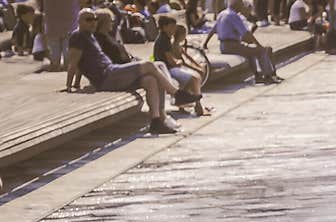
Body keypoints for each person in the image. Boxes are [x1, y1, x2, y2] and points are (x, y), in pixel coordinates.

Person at [66, 8, 196, 135]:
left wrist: (77, 83)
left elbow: (80, 65)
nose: (93, 22)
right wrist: (69, 86)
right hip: (107, 76)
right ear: (79, 21)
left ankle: (156, 121)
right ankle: (176, 93)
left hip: (113, 74)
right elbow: (73, 63)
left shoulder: (89, 35)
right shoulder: (78, 36)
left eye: (94, 19)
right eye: (89, 20)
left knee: (150, 80)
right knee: (149, 65)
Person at [202, 0, 282, 84]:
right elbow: (246, 33)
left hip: (223, 46)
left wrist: (205, 43)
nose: (242, 6)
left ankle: (257, 76)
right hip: (232, 46)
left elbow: (213, 30)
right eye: (241, 4)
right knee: (260, 51)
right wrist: (258, 45)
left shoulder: (222, 14)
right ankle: (268, 76)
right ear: (237, 5)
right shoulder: (233, 15)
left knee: (249, 52)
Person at [41, 0, 80, 71]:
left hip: (52, 26)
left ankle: (56, 68)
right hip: (70, 25)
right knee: (68, 60)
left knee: (55, 59)